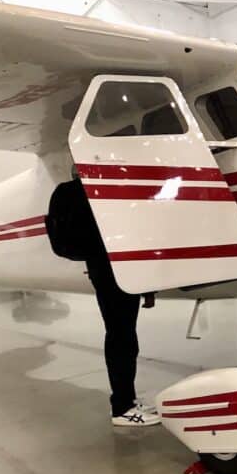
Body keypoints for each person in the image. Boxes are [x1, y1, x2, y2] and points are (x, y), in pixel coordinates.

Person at [48, 179, 159, 427]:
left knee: (123, 335)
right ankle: (122, 407)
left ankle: (126, 400)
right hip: (114, 271)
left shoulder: (77, 192)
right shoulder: (93, 192)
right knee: (122, 337)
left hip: (106, 269)